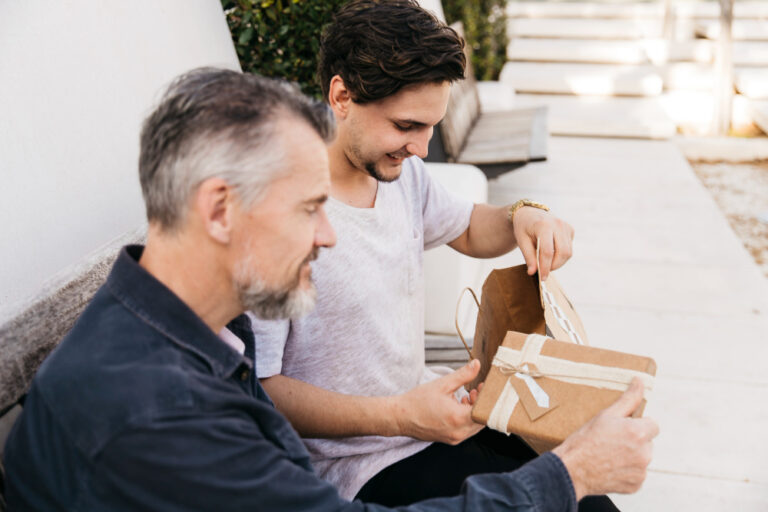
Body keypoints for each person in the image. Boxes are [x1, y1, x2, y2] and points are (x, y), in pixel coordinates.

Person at [2, 68, 655, 511]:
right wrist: (569, 474)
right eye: (309, 208)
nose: (330, 235)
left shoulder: (190, 332)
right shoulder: (153, 412)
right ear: (220, 209)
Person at [251, 1, 639, 510]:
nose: (421, 147)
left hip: (439, 424)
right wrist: (399, 416)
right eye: (407, 125)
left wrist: (524, 215)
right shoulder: (273, 209)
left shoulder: (397, 173)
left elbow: (468, 227)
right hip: (359, 468)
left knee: (588, 494)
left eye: (431, 126)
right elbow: (262, 392)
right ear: (341, 95)